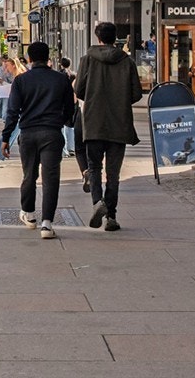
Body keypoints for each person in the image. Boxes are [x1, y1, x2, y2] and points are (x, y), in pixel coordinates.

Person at [0, 41, 76, 240]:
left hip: (29, 134)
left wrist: (6, 137)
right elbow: (69, 109)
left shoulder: (22, 81)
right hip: (52, 133)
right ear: (48, 57)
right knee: (51, 179)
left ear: (30, 59)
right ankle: (47, 224)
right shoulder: (61, 79)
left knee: (29, 175)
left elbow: (12, 112)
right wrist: (63, 121)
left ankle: (29, 214)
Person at [74, 22, 142, 232]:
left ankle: (98, 202)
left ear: (98, 38)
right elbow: (136, 93)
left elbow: (79, 90)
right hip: (119, 124)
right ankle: (111, 217)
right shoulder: (127, 61)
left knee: (94, 167)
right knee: (113, 174)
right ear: (115, 38)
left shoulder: (87, 60)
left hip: (94, 121)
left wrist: (94, 99)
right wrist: (119, 101)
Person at [58, 57, 78, 157]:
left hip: (61, 101)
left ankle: (64, 149)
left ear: (61, 64)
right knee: (71, 125)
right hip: (72, 101)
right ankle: (72, 148)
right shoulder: (74, 75)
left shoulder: (58, 75)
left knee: (62, 126)